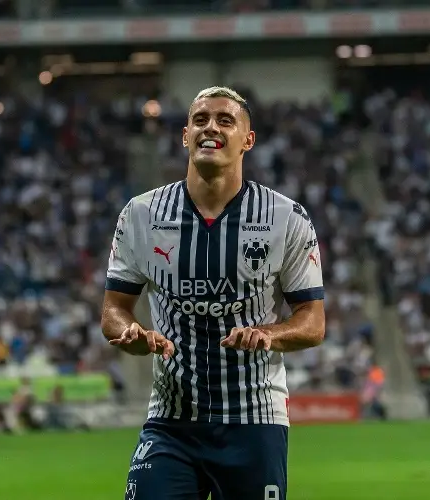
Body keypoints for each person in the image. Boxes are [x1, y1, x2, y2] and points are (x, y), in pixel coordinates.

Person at [103, 87, 325, 500]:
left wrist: (269, 334)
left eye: (225, 120)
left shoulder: (286, 218)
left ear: (248, 139)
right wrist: (133, 334)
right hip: (171, 420)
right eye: (201, 119)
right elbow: (114, 309)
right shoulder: (140, 214)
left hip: (254, 420)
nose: (211, 127)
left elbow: (313, 321)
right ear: (186, 135)